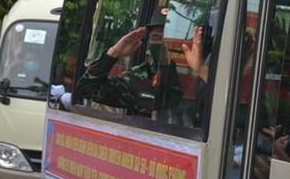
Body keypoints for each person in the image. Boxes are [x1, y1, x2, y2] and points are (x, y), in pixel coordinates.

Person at [77, 17, 207, 119]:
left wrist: (201, 69)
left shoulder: (194, 74)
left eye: (165, 38)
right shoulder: (137, 77)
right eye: (156, 38)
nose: (161, 44)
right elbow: (87, 88)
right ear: (149, 43)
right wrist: (115, 52)